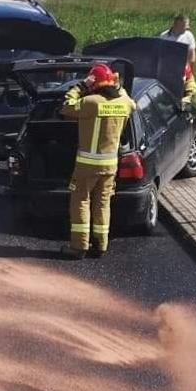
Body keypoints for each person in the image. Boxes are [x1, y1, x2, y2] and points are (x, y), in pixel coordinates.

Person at [60, 64, 132, 259]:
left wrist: (81, 86)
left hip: (87, 165)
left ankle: (79, 246)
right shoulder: (125, 102)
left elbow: (66, 105)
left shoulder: (90, 102)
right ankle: (100, 244)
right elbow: (130, 101)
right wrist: (117, 84)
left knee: (81, 200)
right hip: (110, 165)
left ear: (94, 84)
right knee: (103, 202)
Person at [158, 14, 196, 103]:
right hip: (169, 74)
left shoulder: (189, 36)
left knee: (191, 93)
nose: (187, 28)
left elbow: (192, 56)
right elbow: (160, 56)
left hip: (185, 72)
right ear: (176, 25)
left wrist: (191, 72)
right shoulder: (164, 37)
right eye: (184, 26)